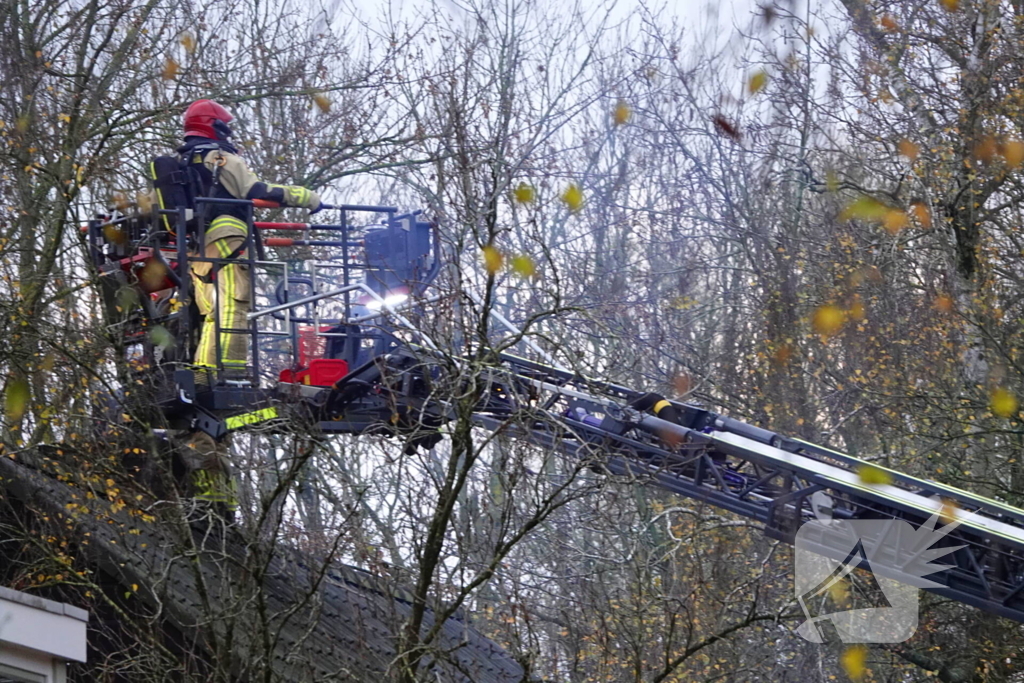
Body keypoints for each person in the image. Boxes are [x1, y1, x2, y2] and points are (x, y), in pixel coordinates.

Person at [175, 99, 322, 518]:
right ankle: (230, 374)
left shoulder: (184, 163)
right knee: (234, 309)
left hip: (197, 250)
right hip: (226, 238)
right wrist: (304, 197)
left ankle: (207, 371)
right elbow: (257, 192)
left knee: (213, 318)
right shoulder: (220, 157)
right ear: (215, 127)